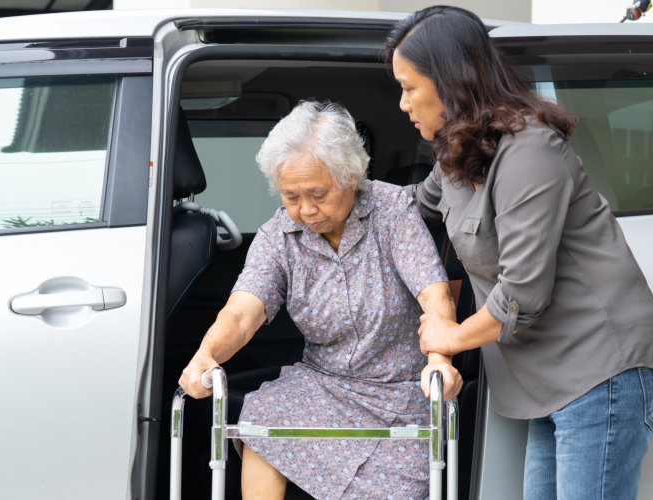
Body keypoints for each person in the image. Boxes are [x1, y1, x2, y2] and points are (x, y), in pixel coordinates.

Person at [385, 6, 653, 500]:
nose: (402, 103)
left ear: (450, 81)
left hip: (602, 374)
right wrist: (329, 193)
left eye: (409, 86)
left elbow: (523, 294)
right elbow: (406, 209)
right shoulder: (458, 157)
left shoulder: (529, 151)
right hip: (550, 385)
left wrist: (452, 336)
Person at [175, 101, 463, 500]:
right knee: (262, 418)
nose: (306, 210)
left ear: (351, 176)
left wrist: (439, 360)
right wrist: (207, 354)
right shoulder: (278, 236)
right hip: (323, 387)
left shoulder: (393, 211)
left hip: (401, 391)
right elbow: (242, 312)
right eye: (291, 196)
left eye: (318, 194)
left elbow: (433, 293)